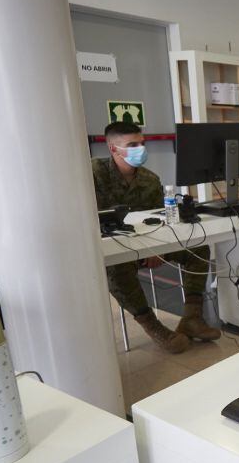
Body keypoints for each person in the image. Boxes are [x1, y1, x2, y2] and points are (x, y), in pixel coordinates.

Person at [92, 121, 221, 354]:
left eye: (141, 143)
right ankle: (153, 326)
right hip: (114, 250)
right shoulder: (92, 175)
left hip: (149, 245)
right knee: (116, 267)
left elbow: (158, 220)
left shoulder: (150, 180)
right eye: (132, 145)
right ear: (113, 149)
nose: (140, 149)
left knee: (198, 248)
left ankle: (192, 318)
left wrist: (157, 248)